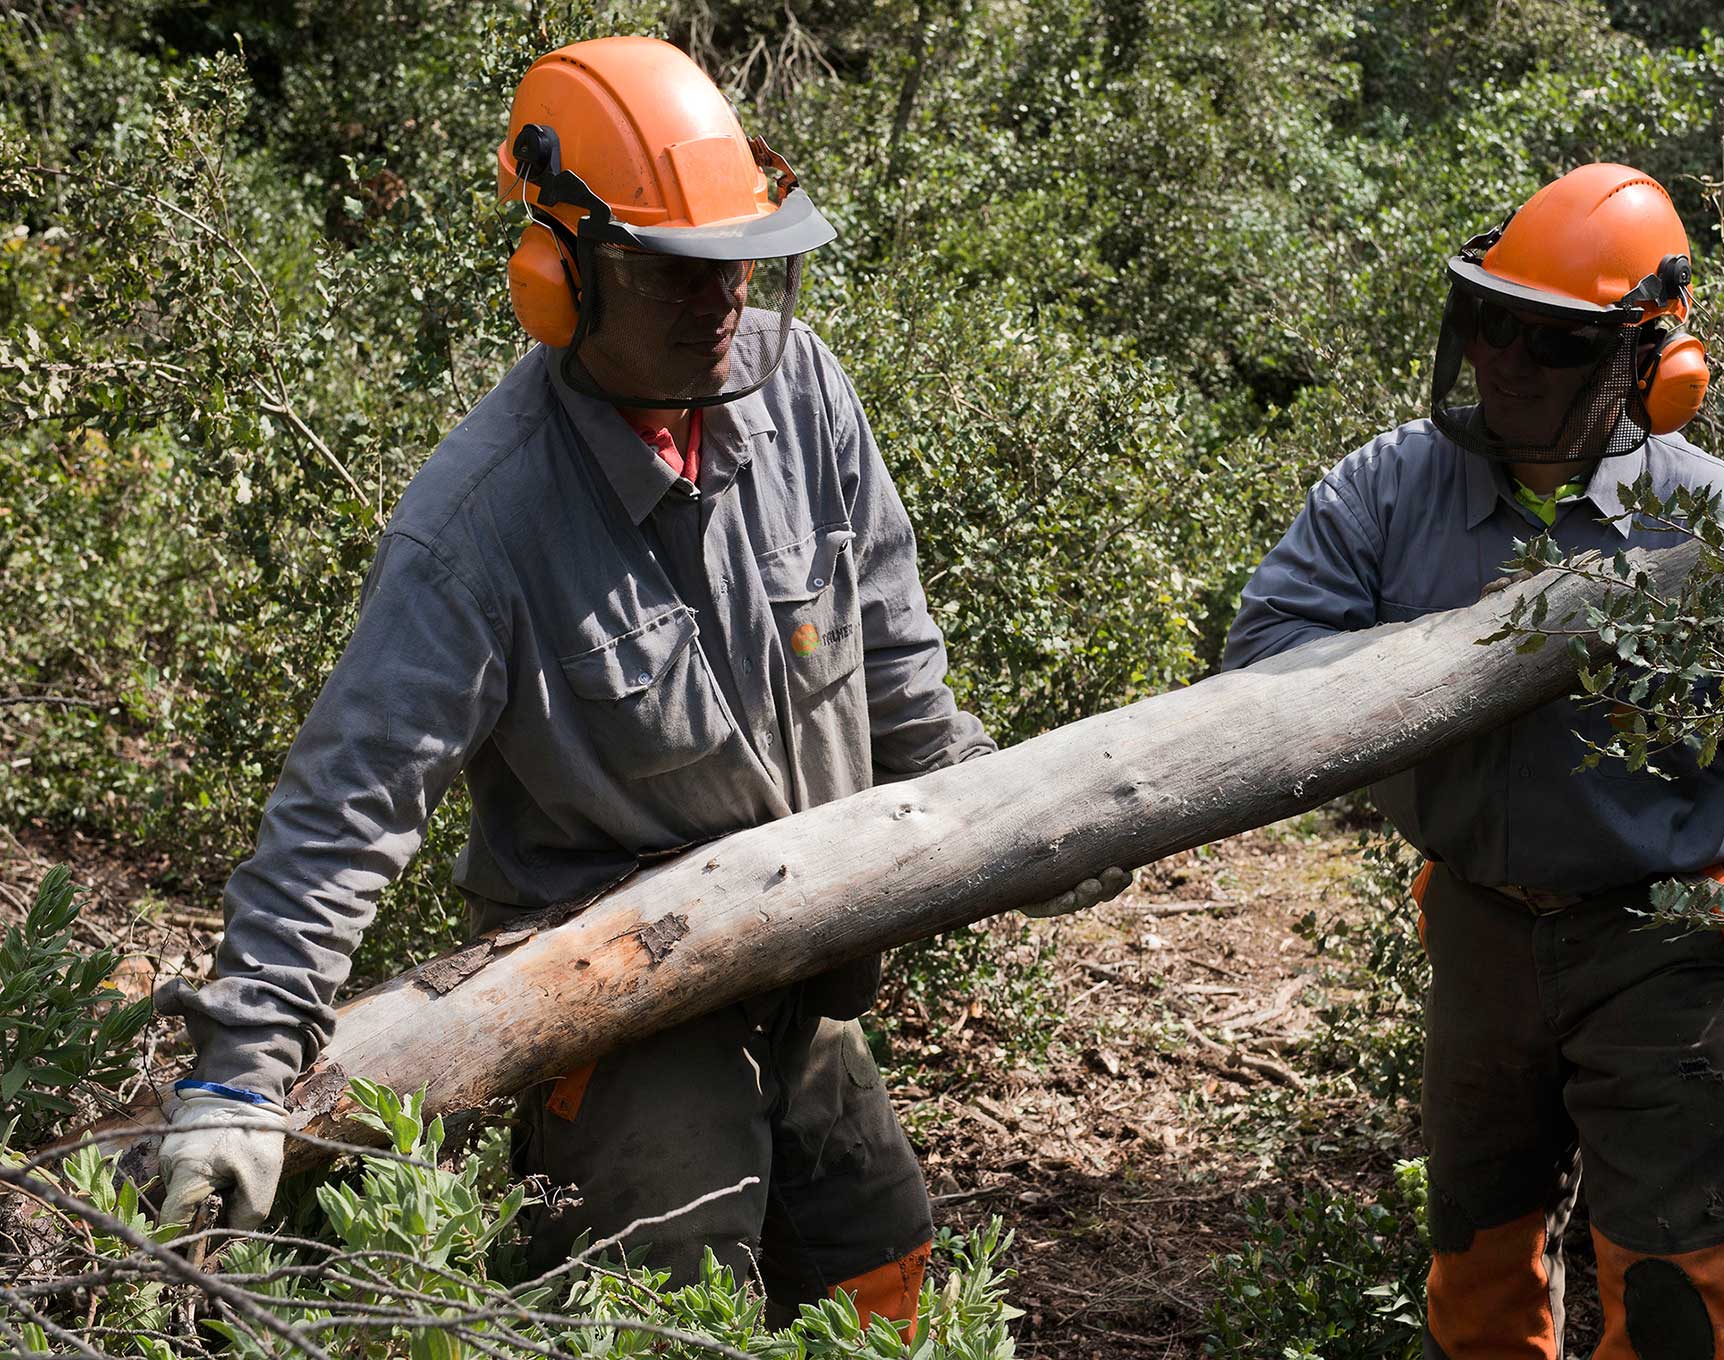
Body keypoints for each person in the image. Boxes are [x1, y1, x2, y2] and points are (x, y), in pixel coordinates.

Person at [152, 35, 1125, 1332]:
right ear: (561, 277)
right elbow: (348, 804)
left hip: (808, 982)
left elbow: (897, 677)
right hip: (618, 1020)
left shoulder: (809, 399)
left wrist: (1016, 815)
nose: (722, 301)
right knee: (673, 1307)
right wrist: (237, 1078)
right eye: (677, 275)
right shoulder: (482, 523)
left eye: (737, 262)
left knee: (884, 1270)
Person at [1222, 164, 1724, 1358]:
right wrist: (1447, 667)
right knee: (1477, 1270)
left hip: (1665, 943)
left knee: (1683, 1301)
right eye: (1489, 323)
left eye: (1550, 342)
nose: (1504, 362)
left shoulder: (1708, 514)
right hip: (1476, 926)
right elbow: (1263, 659)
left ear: (1648, 363)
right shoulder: (1384, 488)